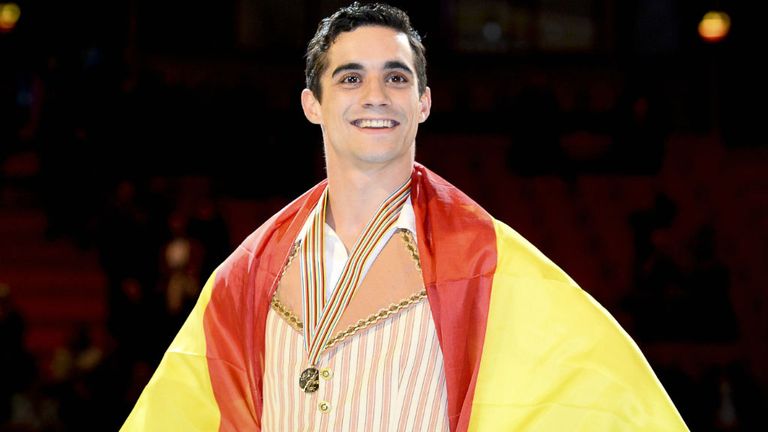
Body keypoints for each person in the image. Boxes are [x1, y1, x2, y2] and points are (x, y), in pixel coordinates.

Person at [122, 3, 688, 431]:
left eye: (396, 77)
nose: (376, 95)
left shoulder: (493, 266)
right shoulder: (244, 278)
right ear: (311, 104)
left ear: (423, 102)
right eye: (350, 77)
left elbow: (607, 406)